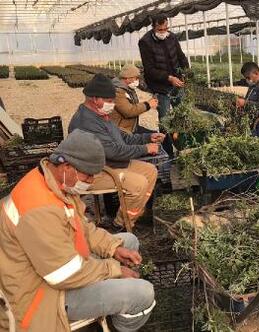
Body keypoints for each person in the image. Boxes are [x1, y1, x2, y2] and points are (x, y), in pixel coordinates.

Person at [0, 129, 155, 332]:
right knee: (143, 293)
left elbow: (82, 227)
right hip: (43, 293)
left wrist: (113, 248)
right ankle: (116, 326)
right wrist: (114, 269)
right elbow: (63, 274)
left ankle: (109, 306)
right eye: (88, 175)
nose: (90, 181)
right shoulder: (39, 209)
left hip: (53, 266)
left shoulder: (52, 181)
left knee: (128, 241)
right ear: (67, 167)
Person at [68, 74, 162, 229]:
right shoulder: (86, 121)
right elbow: (113, 151)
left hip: (109, 164)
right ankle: (121, 224)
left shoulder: (101, 115)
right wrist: (145, 149)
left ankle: (134, 214)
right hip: (93, 172)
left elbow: (122, 139)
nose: (112, 105)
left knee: (150, 171)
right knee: (138, 184)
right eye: (109, 101)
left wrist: (147, 138)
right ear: (95, 99)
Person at [139, 14, 189, 156]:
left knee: (183, 115)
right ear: (153, 27)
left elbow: (180, 56)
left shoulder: (171, 37)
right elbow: (149, 70)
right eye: (160, 29)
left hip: (177, 84)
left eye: (166, 28)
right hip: (161, 88)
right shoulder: (145, 42)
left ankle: (184, 147)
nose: (163, 32)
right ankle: (168, 153)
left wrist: (186, 71)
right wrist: (168, 78)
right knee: (165, 121)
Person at [112, 64, 159, 134]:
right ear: (127, 78)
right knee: (153, 138)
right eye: (136, 78)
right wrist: (147, 105)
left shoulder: (128, 89)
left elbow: (134, 106)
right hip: (122, 131)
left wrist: (149, 103)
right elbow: (129, 111)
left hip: (131, 127)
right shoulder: (117, 92)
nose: (138, 81)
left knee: (155, 135)